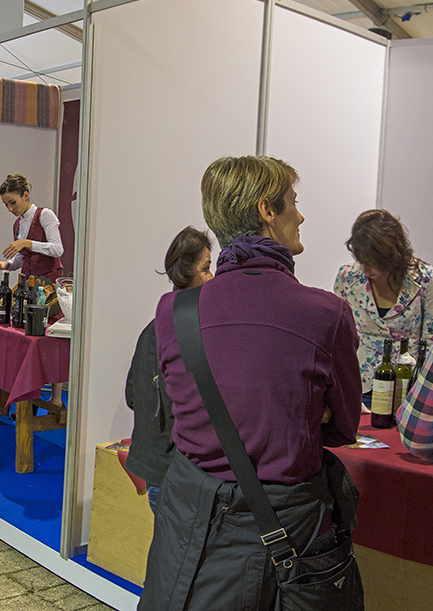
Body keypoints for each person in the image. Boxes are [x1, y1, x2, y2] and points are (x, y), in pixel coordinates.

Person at [141, 156, 361, 610]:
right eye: (293, 202)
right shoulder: (325, 315)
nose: (300, 216)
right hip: (284, 534)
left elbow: (185, 410)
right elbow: (343, 427)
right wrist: (300, 412)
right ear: (267, 209)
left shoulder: (174, 311)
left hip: (185, 526)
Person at [125, 227, 214, 513]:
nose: (212, 277)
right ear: (186, 272)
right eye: (206, 268)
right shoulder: (188, 331)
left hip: (160, 468)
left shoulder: (153, 328)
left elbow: (132, 395)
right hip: (176, 473)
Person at [333, 210, 433, 400]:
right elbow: (339, 334)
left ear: (390, 255)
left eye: (372, 263)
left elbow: (430, 342)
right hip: (360, 383)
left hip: (406, 387)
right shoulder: (347, 277)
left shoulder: (425, 280)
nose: (364, 269)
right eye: (360, 260)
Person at [0, 174, 65, 282]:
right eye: (6, 204)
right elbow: (23, 258)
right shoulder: (17, 223)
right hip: (28, 283)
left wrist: (27, 243)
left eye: (13, 203)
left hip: (48, 283)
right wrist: (6, 265)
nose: (10, 209)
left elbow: (57, 249)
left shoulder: (45, 215)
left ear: (25, 195)